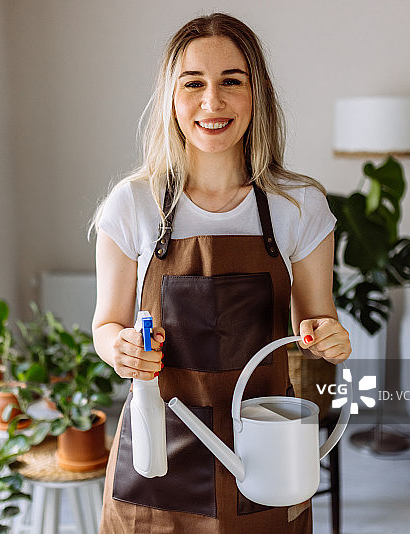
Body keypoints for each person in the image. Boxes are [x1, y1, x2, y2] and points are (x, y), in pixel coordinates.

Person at [91, 12, 351, 533]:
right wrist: (118, 348)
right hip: (159, 447)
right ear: (172, 96)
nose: (212, 102)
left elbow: (318, 319)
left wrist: (329, 338)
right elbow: (106, 326)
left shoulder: (297, 204)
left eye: (231, 81)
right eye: (194, 84)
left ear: (258, 95)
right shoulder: (133, 204)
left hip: (267, 443)